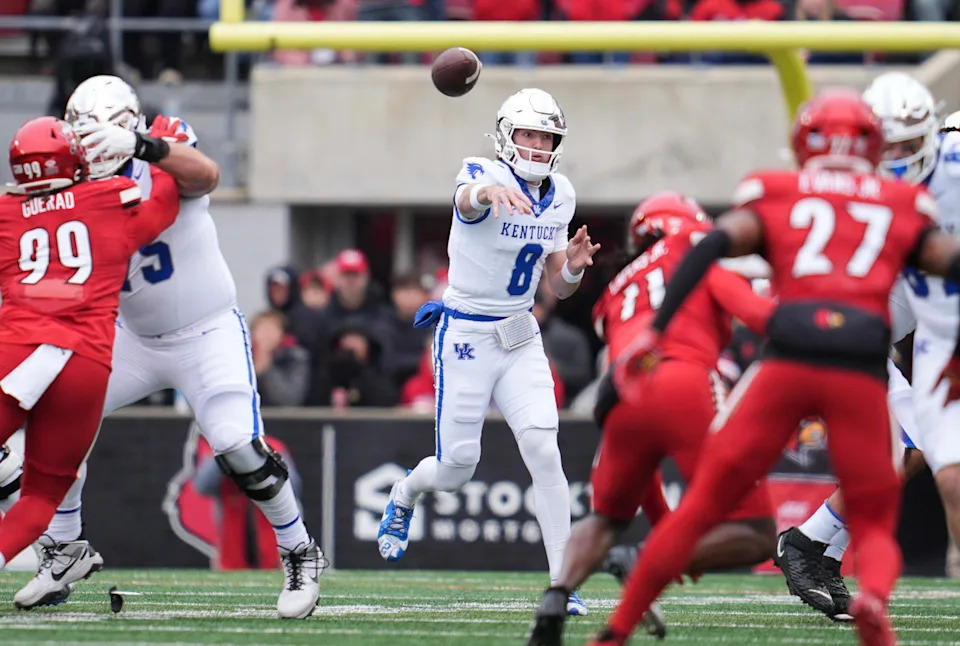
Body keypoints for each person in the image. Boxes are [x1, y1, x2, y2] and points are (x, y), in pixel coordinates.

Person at [596, 88, 960, 646]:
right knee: (898, 482)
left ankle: (620, 624)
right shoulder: (907, 204)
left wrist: (660, 325)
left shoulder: (779, 187)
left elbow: (715, 243)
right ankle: (865, 599)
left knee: (714, 497)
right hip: (870, 333)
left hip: (800, 345)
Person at [12, 76, 324, 619]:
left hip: (205, 330)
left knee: (237, 447)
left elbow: (205, 175)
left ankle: (299, 549)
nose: (97, 145)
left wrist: (142, 148)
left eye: (110, 133)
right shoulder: (71, 182)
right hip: (128, 336)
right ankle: (63, 550)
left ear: (132, 126)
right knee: (51, 425)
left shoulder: (163, 143)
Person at [377, 88, 600, 616]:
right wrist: (482, 195)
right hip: (467, 333)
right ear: (507, 136)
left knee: (545, 450)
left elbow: (555, 287)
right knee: (457, 470)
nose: (539, 145)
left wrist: (570, 266)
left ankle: (561, 583)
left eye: (547, 137)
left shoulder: (560, 192)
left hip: (520, 331)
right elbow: (462, 199)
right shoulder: (483, 173)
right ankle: (406, 494)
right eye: (530, 134)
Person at [527, 192, 777, 645]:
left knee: (605, 518)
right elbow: (757, 313)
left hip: (622, 393)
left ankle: (555, 597)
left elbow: (645, 470)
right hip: (683, 377)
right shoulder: (692, 252)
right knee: (758, 532)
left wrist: (661, 535)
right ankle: (641, 562)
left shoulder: (617, 288)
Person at [775, 72, 960, 621]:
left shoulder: (940, 176)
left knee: (922, 447)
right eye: (891, 145)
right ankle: (811, 544)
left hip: (892, 314)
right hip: (839, 322)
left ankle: (814, 545)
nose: (900, 158)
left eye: (911, 146)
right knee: (917, 447)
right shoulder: (855, 187)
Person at [0, 116, 178, 581]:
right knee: (41, 496)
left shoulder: (7, 212)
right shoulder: (106, 199)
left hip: (17, 350)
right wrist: (161, 154)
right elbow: (164, 206)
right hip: (84, 364)